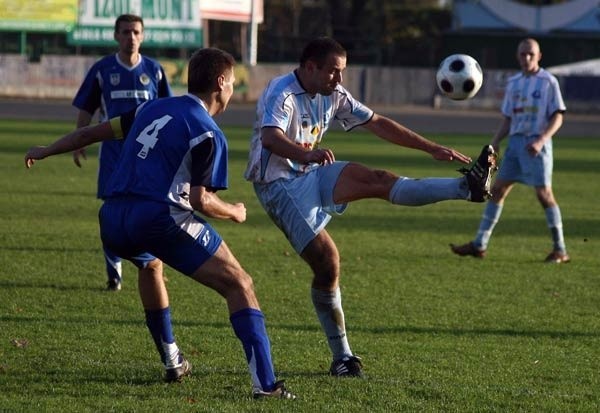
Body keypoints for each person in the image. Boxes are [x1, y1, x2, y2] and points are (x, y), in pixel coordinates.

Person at [25, 48, 296, 400]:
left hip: (112, 218)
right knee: (240, 284)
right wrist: (234, 211)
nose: (232, 89)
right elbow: (201, 201)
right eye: (232, 82)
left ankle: (172, 359)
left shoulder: (151, 108)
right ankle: (267, 386)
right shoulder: (208, 133)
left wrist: (45, 150)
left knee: (151, 266)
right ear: (220, 83)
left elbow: (90, 134)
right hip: (156, 219)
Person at [243, 36, 497, 377]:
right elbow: (271, 138)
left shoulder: (333, 94)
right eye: (333, 71)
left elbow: (377, 122)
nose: (339, 79)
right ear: (310, 67)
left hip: (311, 171)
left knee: (378, 178)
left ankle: (466, 187)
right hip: (278, 186)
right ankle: (343, 357)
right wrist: (307, 154)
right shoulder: (282, 92)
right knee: (328, 264)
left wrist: (431, 148)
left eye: (342, 71)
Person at [72, 13, 173, 291]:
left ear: (143, 35)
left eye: (136, 32)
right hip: (113, 154)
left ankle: (152, 265)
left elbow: (169, 111)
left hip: (148, 154)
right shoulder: (103, 70)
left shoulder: (154, 70)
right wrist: (80, 140)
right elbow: (86, 108)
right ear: (116, 35)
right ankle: (114, 271)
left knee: (151, 208)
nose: (131, 37)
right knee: (112, 212)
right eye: (126, 32)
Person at [450, 38, 569, 264]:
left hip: (536, 145)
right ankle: (479, 244)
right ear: (518, 56)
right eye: (523, 54)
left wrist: (542, 140)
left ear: (539, 56)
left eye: (531, 54)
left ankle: (560, 249)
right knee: (497, 190)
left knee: (544, 195)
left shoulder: (548, 82)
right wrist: (494, 142)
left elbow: (558, 116)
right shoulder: (514, 82)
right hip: (515, 144)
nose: (526, 58)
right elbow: (508, 118)